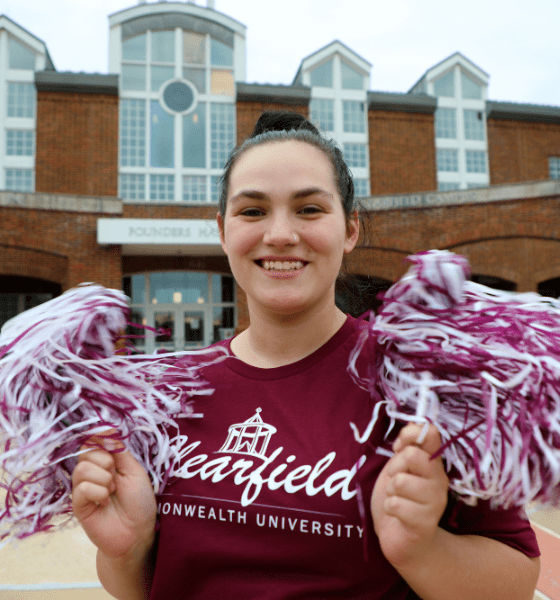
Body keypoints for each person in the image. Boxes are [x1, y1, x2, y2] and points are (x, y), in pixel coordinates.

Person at [72, 111, 540, 599]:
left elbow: (517, 581)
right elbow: (144, 586)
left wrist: (422, 550)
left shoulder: (426, 386)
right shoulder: (164, 396)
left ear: (351, 228)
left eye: (310, 210)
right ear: (222, 230)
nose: (280, 235)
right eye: (252, 211)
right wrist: (125, 552)